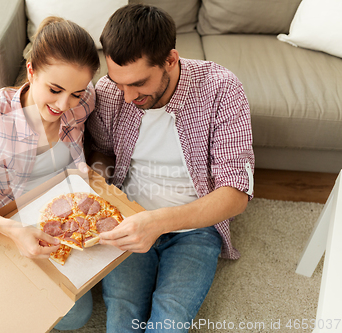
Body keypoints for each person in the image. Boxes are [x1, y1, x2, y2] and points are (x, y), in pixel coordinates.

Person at [86, 4, 255, 332]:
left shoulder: (222, 89)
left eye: (138, 83)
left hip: (197, 227)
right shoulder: (110, 92)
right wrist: (97, 183)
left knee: (171, 319)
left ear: (170, 60)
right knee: (122, 311)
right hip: (128, 215)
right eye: (118, 82)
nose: (127, 95)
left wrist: (157, 222)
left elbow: (236, 194)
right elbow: (103, 154)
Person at [0, 17, 99, 330]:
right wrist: (11, 230)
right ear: (31, 70)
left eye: (76, 93)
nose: (65, 104)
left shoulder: (84, 100)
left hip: (48, 220)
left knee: (76, 315)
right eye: (55, 89)